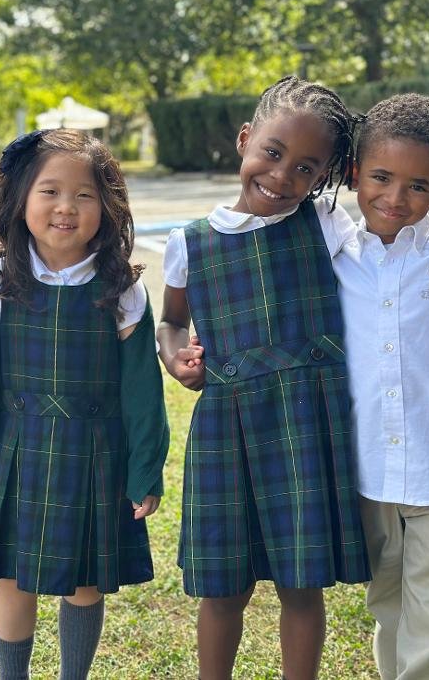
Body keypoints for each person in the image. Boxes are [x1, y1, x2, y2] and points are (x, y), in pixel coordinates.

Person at [0, 128, 169, 680]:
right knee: (13, 578)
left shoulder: (121, 288)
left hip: (95, 455)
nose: (66, 207)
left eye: (84, 195)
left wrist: (146, 471)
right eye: (50, 191)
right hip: (20, 451)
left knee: (85, 582)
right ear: (20, 200)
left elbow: (143, 392)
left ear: (107, 207)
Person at [158, 76, 370, 680]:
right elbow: (171, 322)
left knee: (302, 585)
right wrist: (176, 357)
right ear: (245, 139)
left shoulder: (326, 224)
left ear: (325, 176)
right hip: (226, 431)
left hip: (307, 427)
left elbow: (391, 259)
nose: (281, 176)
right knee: (224, 588)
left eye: (306, 168)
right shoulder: (190, 243)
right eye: (272, 153)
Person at [336, 94, 429, 679]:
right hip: (369, 475)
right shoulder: (330, 254)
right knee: (388, 606)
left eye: (418, 186)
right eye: (381, 177)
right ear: (354, 174)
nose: (395, 197)